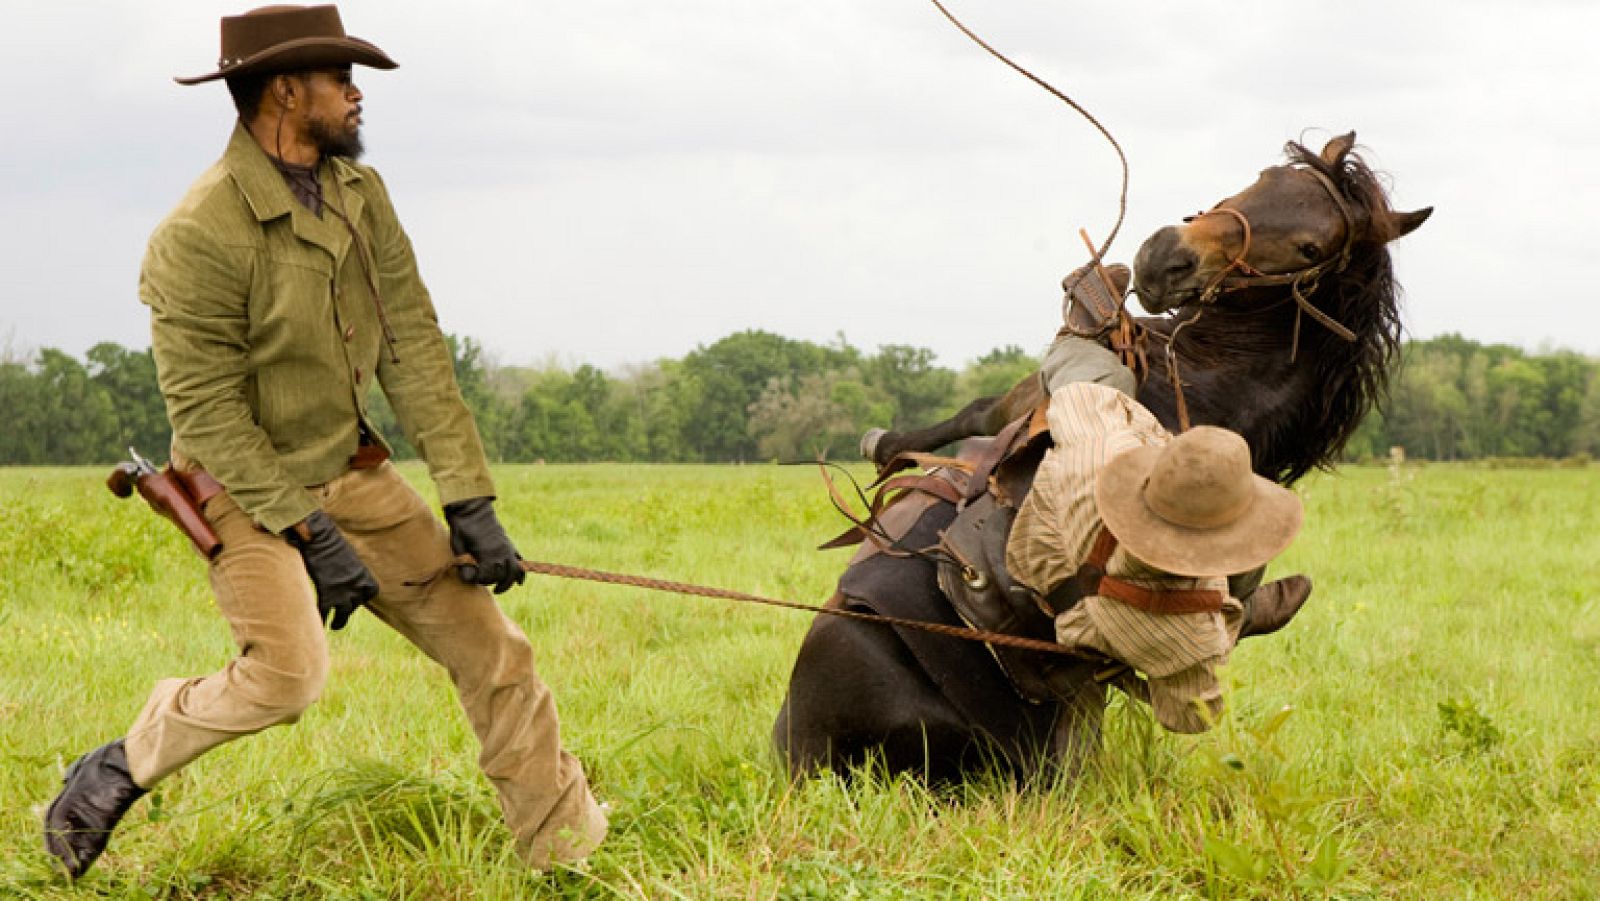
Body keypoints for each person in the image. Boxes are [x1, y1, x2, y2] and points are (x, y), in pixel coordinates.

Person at [44, 5, 605, 879]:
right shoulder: (196, 233)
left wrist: (470, 499)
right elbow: (208, 418)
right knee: (289, 677)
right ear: (283, 90)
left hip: (356, 475)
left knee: (497, 653)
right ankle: (119, 763)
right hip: (245, 489)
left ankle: (568, 855)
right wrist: (311, 531)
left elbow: (413, 343)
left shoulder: (359, 195)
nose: (355, 95)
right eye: (339, 80)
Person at [1006, 263, 1310, 733]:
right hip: (1144, 625)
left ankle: (1081, 326)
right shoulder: (1196, 638)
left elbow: (1078, 398)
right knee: (1251, 566)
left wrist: (1085, 347)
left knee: (1097, 381)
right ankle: (1246, 610)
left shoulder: (1097, 457)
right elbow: (1192, 719)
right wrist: (1220, 632)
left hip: (1048, 569)